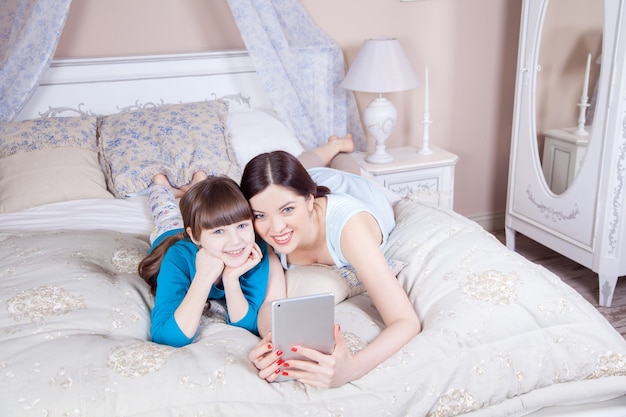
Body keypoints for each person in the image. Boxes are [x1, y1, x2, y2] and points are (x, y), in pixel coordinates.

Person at [239, 138, 422, 388]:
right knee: (302, 165)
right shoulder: (263, 228)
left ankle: (339, 147)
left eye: (287, 210)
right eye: (260, 215)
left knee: (346, 169)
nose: (276, 228)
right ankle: (330, 146)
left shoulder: (350, 229)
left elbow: (406, 321)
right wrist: (274, 344)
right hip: (307, 182)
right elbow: (272, 301)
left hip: (354, 191)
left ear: (308, 201)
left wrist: (353, 368)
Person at [138, 172, 285, 347]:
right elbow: (167, 337)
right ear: (194, 237)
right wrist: (203, 277)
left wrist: (231, 280)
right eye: (218, 231)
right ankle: (161, 186)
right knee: (167, 213)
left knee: (203, 202)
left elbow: (249, 324)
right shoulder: (178, 258)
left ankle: (199, 183)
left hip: (202, 223)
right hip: (169, 232)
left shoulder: (255, 251)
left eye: (242, 225)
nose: (236, 241)